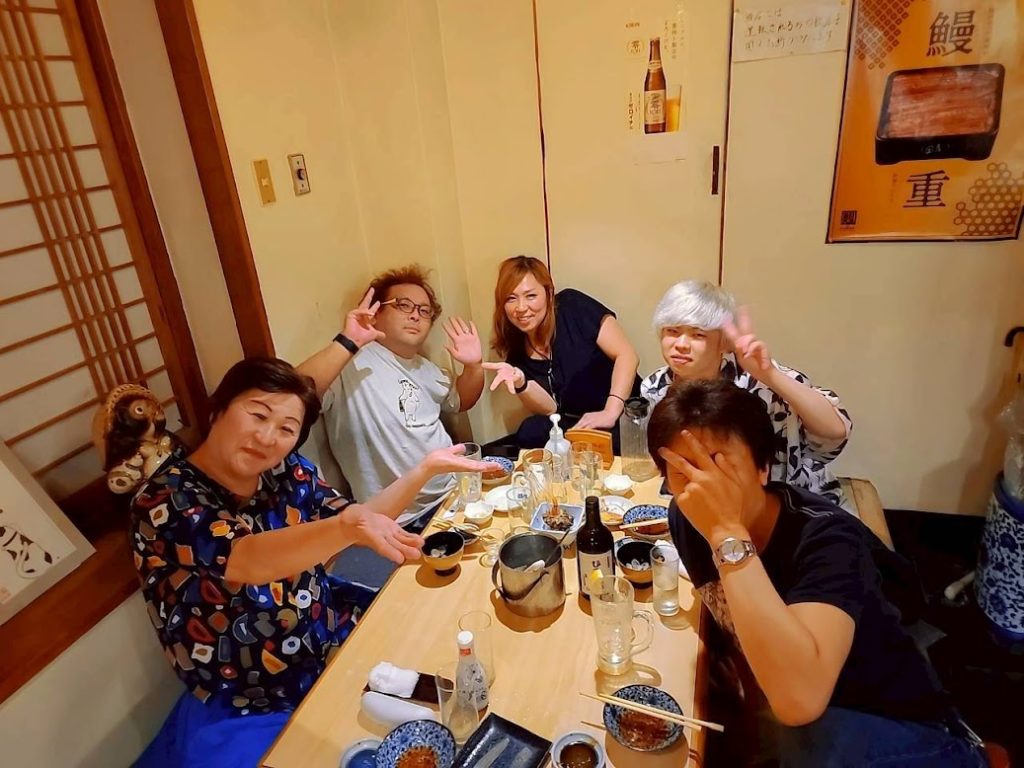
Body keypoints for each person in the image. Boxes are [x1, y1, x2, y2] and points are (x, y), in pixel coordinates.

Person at [132, 358, 491, 768]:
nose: (267, 437)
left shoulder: (285, 471)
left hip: (328, 636)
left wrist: (424, 470)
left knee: (456, 673)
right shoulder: (166, 499)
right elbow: (249, 559)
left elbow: (361, 522)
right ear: (218, 410)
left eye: (286, 429)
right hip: (249, 691)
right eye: (257, 414)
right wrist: (347, 526)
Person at [647, 379, 987, 768]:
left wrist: (727, 534)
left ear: (762, 467)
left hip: (903, 729)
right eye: (683, 470)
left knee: (803, 737)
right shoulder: (686, 517)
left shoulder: (829, 540)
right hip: (801, 721)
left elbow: (800, 702)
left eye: (717, 464)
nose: (703, 486)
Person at [298, 264, 485, 531]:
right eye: (403, 305)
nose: (415, 315)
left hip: (452, 494)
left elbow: (462, 401)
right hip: (397, 518)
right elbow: (290, 394)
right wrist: (347, 341)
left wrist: (474, 366)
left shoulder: (426, 368)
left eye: (424, 311)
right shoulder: (348, 363)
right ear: (375, 314)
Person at [641, 280, 852, 509]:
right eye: (672, 331)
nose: (681, 344)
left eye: (698, 335)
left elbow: (834, 432)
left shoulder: (757, 379)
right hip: (702, 502)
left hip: (784, 503)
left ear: (723, 342)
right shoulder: (655, 387)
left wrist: (769, 375)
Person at [484, 255, 640, 449]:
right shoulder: (517, 348)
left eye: (530, 296)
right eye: (511, 298)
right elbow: (551, 409)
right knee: (529, 431)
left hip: (622, 413)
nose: (521, 308)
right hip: (578, 423)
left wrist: (610, 412)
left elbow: (627, 356)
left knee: (617, 442)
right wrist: (521, 383)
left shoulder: (572, 306)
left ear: (548, 293)